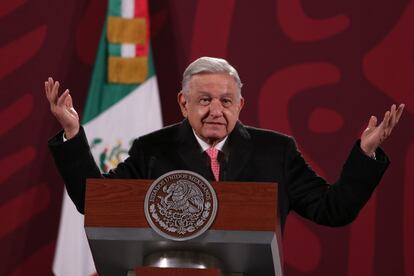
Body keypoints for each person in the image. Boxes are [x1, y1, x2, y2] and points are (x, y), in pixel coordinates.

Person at [46, 57, 404, 230]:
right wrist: (74, 135)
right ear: (184, 104)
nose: (216, 110)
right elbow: (94, 203)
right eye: (204, 100)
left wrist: (366, 154)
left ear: (240, 107)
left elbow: (333, 209)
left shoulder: (276, 152)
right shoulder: (152, 150)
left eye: (226, 101)